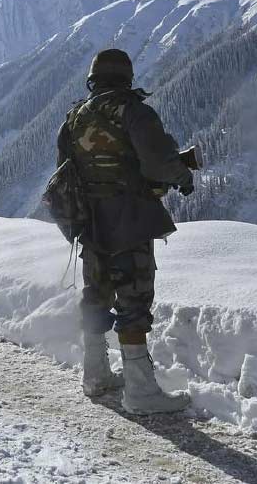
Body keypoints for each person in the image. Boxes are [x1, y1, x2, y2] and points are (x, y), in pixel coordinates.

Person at [56, 49, 195, 415]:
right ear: (127, 77)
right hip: (129, 219)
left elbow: (65, 170)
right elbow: (158, 162)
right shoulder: (132, 110)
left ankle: (95, 374)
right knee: (133, 299)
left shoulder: (74, 118)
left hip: (90, 222)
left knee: (97, 293)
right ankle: (140, 393)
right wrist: (182, 175)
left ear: (94, 78)